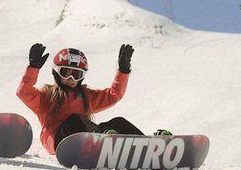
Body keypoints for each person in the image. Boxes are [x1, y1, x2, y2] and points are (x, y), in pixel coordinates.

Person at [16, 43, 164, 155]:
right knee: (75, 120)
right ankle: (103, 140)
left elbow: (113, 95)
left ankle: (148, 147)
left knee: (118, 122)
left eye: (76, 74)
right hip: (58, 141)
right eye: (66, 72)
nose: (71, 78)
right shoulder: (47, 96)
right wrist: (33, 68)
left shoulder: (85, 96)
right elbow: (24, 92)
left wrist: (123, 71)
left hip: (86, 138)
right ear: (56, 73)